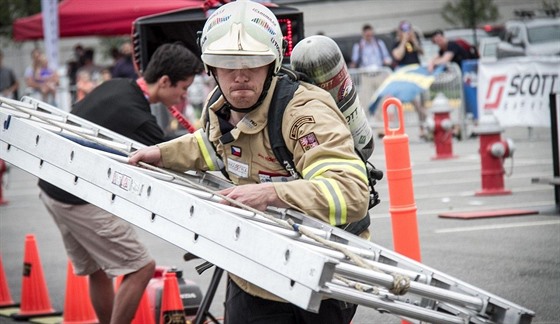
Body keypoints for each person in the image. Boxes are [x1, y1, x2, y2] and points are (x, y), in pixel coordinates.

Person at [129, 1, 370, 323]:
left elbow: (351, 192)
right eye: (227, 64)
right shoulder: (219, 106)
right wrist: (163, 153)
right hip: (254, 269)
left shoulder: (303, 114)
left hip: (319, 274)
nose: (240, 76)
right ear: (210, 68)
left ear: (272, 63)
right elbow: (213, 144)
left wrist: (271, 195)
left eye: (253, 62)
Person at [38, 43, 203, 324]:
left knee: (97, 269)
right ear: (164, 81)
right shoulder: (137, 116)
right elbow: (176, 155)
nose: (184, 95)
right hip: (76, 197)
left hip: (51, 186)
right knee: (141, 267)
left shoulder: (117, 85)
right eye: (183, 88)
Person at [391, 21, 428, 139]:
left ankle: (423, 128)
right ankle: (399, 128)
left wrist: (414, 40)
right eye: (404, 31)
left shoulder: (415, 41)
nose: (406, 33)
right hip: (404, 77)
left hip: (417, 75)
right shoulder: (397, 43)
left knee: (420, 103)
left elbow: (422, 52)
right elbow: (398, 55)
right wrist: (403, 41)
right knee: (401, 102)